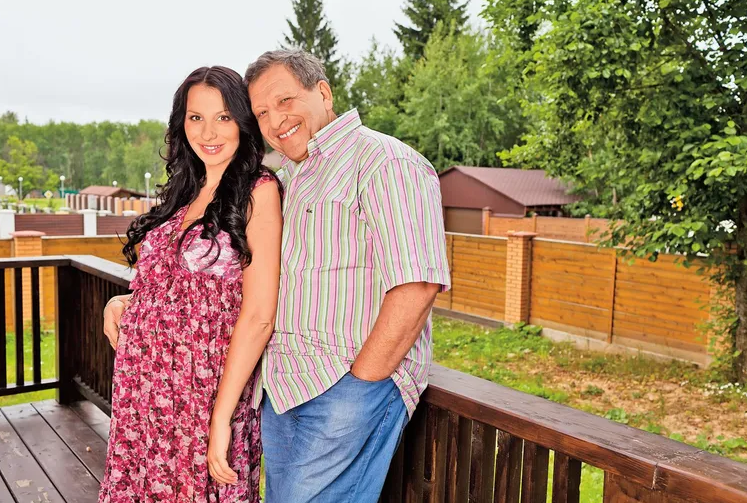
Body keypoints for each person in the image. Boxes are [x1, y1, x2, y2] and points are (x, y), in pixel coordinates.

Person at [239, 49, 450, 502]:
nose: (275, 121)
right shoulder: (285, 179)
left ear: (324, 92)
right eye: (261, 113)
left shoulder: (385, 161)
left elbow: (417, 285)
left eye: (285, 101)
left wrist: (361, 382)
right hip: (281, 387)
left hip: (344, 386)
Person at [99, 66, 282, 503]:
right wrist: (123, 301)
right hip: (144, 391)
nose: (208, 132)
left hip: (203, 394)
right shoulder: (186, 189)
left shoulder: (258, 191)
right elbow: (174, 285)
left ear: (242, 121)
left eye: (223, 117)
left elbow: (259, 315)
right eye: (196, 117)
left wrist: (220, 418)